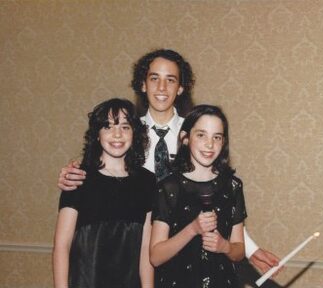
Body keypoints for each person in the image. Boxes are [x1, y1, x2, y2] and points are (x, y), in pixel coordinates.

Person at [56, 48, 279, 275]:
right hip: (132, 256)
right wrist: (74, 168)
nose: (161, 88)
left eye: (170, 80)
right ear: (143, 84)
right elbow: (98, 167)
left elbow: (218, 196)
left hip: (187, 255)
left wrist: (251, 250)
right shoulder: (125, 135)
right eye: (154, 79)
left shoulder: (196, 135)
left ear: (180, 88)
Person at [52, 98, 155, 288]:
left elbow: (144, 251)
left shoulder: (147, 181)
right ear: (97, 134)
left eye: (125, 127)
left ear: (135, 134)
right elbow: (61, 246)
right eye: (108, 126)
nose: (117, 134)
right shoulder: (77, 177)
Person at [150, 104, 246, 287]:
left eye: (216, 137)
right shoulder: (169, 188)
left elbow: (239, 251)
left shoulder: (232, 186)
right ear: (185, 138)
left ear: (223, 142)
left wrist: (224, 246)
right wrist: (192, 229)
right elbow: (155, 257)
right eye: (201, 135)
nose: (209, 144)